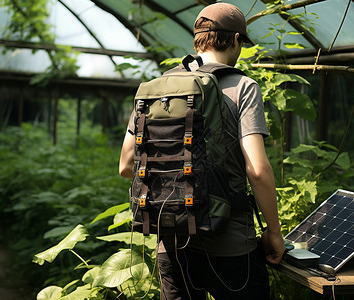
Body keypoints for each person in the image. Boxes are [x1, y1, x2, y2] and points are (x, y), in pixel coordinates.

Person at [119, 3, 285, 299]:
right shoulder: (243, 87)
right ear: (236, 40)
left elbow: (126, 166)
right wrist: (273, 231)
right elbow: (258, 171)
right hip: (231, 244)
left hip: (171, 242)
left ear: (197, 39)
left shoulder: (159, 88)